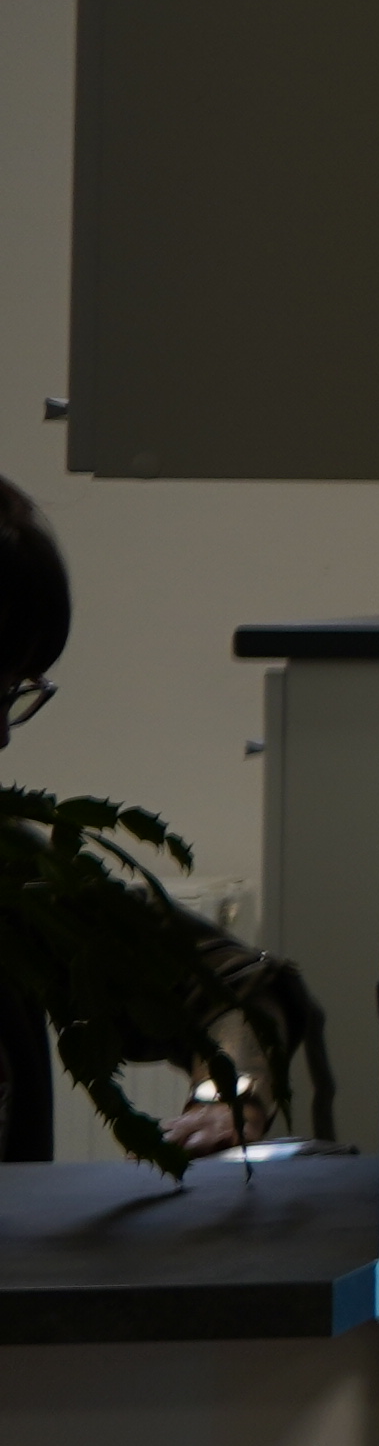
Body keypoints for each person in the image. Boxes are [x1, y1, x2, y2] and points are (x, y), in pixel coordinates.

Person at [0, 475, 59, 1166]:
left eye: (13, 690)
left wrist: (228, 1090)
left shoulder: (12, 869)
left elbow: (226, 979)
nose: (2, 736)